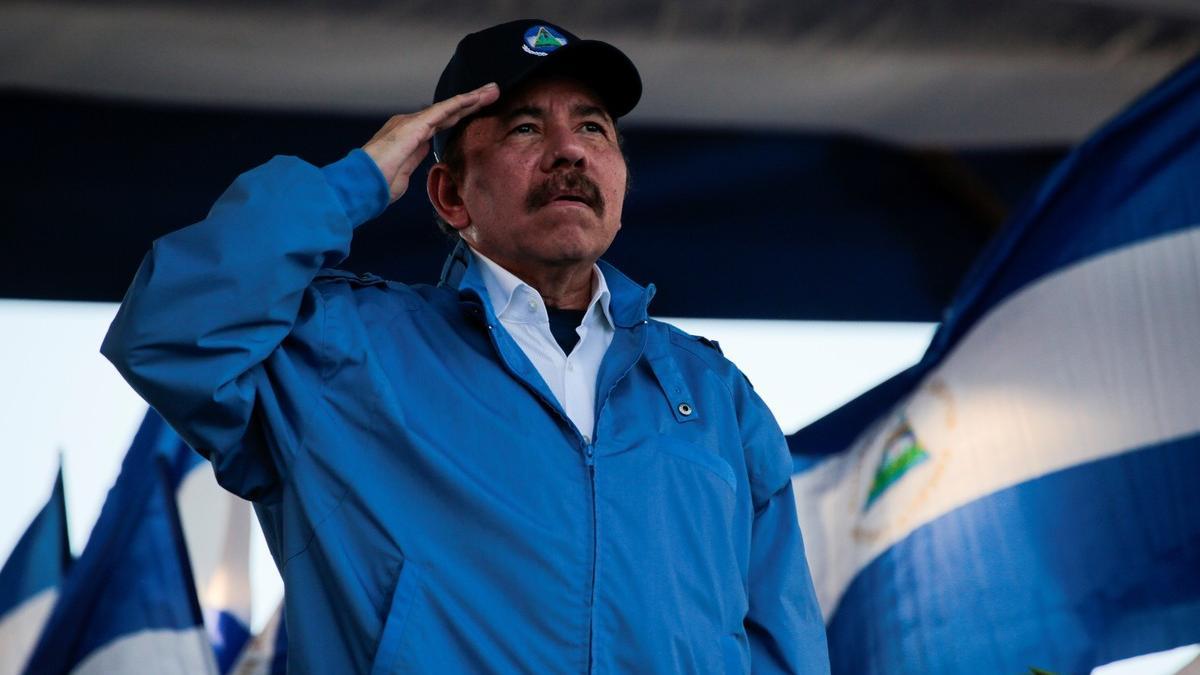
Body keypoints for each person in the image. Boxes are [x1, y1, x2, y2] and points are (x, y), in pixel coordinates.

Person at [102, 18, 830, 674]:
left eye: (594, 128)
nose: (568, 150)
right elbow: (167, 327)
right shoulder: (341, 353)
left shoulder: (713, 394)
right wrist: (355, 180)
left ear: (621, 179)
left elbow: (783, 643)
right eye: (523, 129)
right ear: (451, 195)